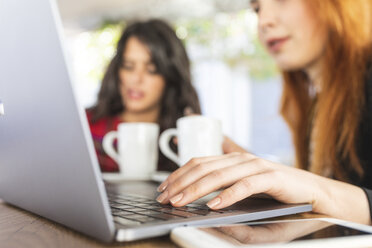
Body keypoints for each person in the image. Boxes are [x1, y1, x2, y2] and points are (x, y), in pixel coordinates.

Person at [156, 0, 372, 225]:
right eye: (257, 9)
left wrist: (319, 191)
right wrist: (253, 171)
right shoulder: (317, 104)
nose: (264, 21)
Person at [87, 19, 201, 172]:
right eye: (128, 67)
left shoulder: (177, 138)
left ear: (171, 77)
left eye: (152, 70)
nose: (136, 79)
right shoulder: (85, 126)